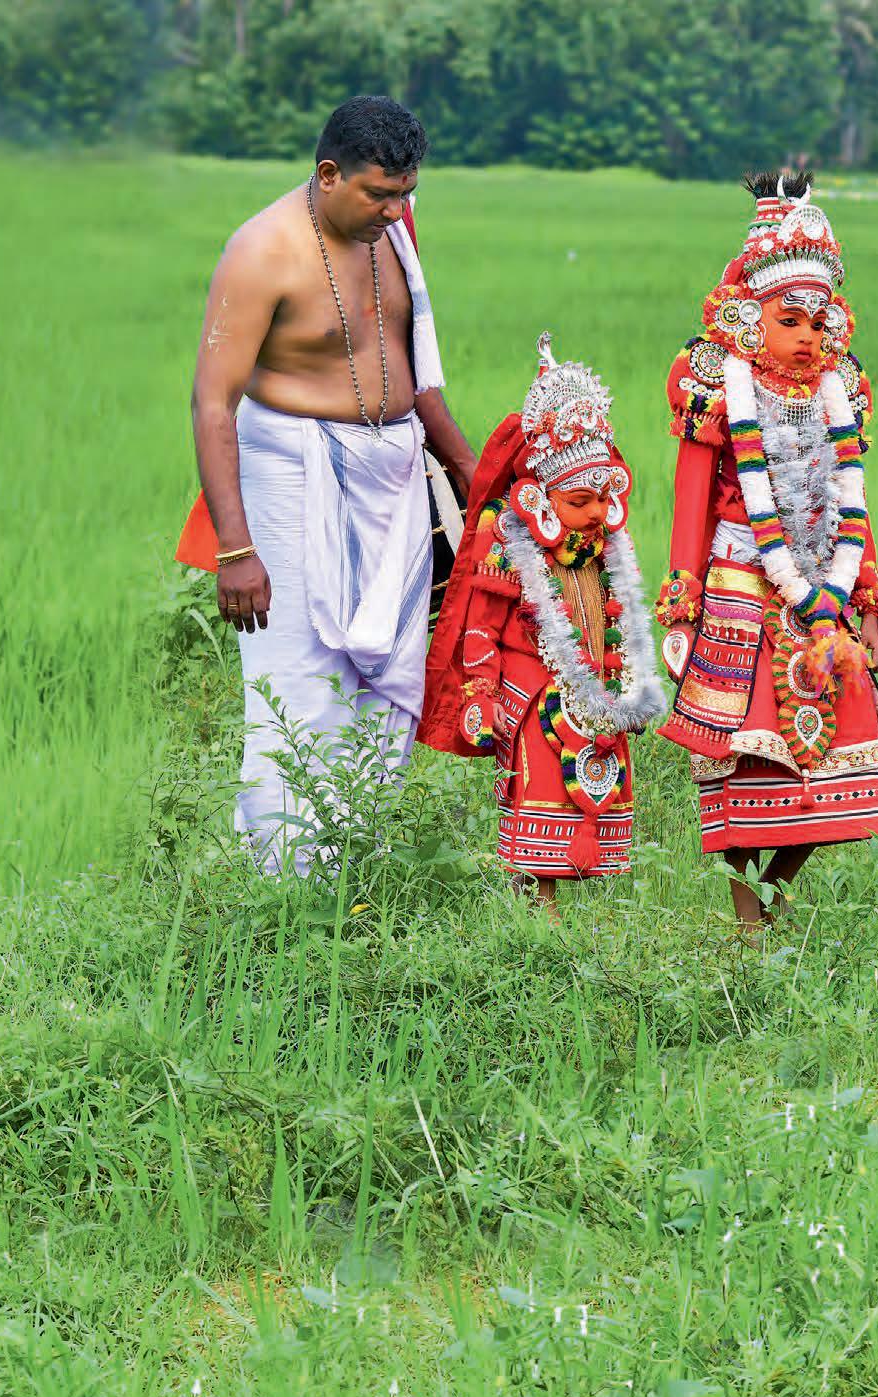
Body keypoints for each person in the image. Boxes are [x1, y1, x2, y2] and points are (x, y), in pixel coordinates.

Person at [175, 95, 477, 872]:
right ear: (330, 173)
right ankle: (284, 887)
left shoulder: (394, 233)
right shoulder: (263, 251)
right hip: (290, 474)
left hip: (395, 473)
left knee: (392, 680)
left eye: (406, 192)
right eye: (379, 194)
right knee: (298, 683)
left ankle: (356, 873)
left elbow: (420, 375)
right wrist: (236, 549)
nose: (395, 210)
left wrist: (473, 477)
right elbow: (212, 402)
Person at [654, 172, 878, 925]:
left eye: (819, 322)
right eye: (789, 318)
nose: (807, 336)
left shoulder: (836, 391)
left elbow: (852, 503)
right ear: (748, 317)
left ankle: (770, 903)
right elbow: (691, 499)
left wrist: (869, 598)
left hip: (823, 591)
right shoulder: (719, 389)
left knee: (840, 759)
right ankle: (747, 922)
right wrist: (682, 605)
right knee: (746, 760)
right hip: (740, 585)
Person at [418, 333, 665, 913]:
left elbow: (620, 624)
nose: (598, 513)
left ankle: (559, 925)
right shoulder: (510, 544)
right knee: (540, 799)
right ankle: (537, 914)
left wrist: (630, 685)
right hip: (531, 696)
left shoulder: (604, 547)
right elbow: (480, 627)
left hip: (594, 690)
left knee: (591, 798)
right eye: (581, 501)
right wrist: (482, 694)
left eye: (605, 498)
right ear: (540, 498)